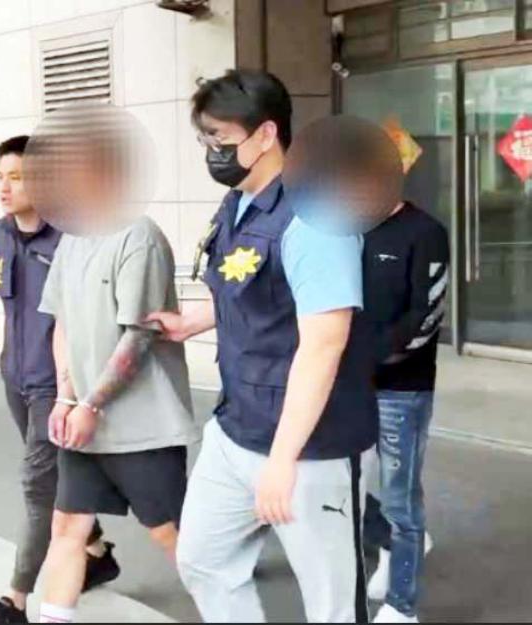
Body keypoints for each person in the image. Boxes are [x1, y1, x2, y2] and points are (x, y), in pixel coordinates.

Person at [149, 70, 378, 622]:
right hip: (237, 427)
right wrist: (191, 322)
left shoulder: (316, 218)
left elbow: (324, 344)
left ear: (267, 133)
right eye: (204, 138)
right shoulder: (239, 204)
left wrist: (282, 458)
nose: (211, 152)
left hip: (310, 447)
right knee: (203, 560)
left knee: (331, 604)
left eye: (221, 138)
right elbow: (247, 290)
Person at [0, 135, 120, 624]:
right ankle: (95, 552)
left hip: (57, 386)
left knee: (36, 485)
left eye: (17, 177)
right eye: (0, 177)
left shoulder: (73, 238)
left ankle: (15, 601)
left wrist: (80, 389)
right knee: (53, 479)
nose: (5, 187)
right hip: (14, 379)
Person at [35, 126, 198, 625]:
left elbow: (139, 334)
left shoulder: (139, 235)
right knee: (68, 529)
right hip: (84, 425)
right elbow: (62, 323)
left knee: (172, 536)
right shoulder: (72, 239)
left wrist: (92, 404)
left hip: (141, 428)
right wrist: (67, 398)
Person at [361, 200, 449, 624]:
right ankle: (388, 546)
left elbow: (426, 315)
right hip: (346, 385)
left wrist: (371, 357)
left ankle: (402, 605)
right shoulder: (344, 227)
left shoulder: (424, 231)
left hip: (401, 389)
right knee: (343, 485)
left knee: (400, 498)